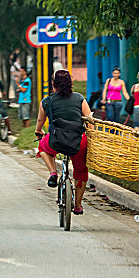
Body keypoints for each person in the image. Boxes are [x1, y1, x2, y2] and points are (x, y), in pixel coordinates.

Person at [35, 69, 92, 215]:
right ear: (70, 84)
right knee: (81, 171)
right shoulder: (80, 99)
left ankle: (53, 173)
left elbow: (40, 120)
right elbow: (89, 120)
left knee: (42, 148)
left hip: (56, 140)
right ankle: (78, 205)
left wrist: (39, 131)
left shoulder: (47, 101)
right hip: (78, 142)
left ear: (53, 85)